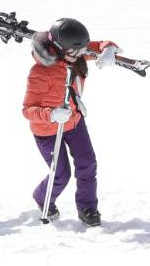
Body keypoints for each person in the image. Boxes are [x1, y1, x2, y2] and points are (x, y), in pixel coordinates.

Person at [22, 18, 120, 227]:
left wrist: (109, 49)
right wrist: (51, 114)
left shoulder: (75, 52)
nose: (79, 56)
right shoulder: (40, 73)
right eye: (73, 52)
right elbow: (27, 110)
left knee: (87, 164)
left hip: (75, 122)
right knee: (61, 175)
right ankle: (42, 197)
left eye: (81, 51)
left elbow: (101, 44)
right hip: (48, 130)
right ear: (57, 47)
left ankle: (87, 208)